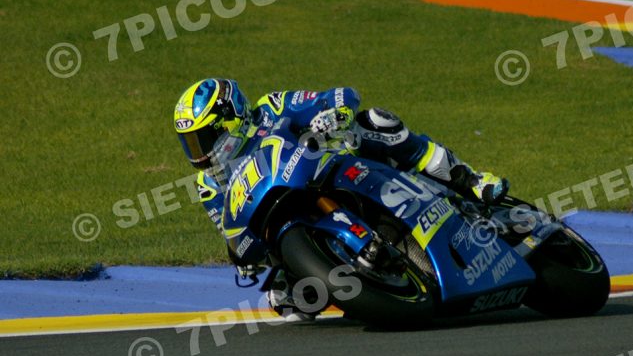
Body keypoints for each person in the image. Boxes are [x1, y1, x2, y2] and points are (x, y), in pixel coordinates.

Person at [174, 78, 509, 319]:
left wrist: (333, 114)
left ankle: (471, 180)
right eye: (190, 143)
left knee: (378, 122)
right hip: (285, 223)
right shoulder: (209, 185)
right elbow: (230, 231)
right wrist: (245, 259)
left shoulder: (270, 108)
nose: (200, 153)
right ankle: (361, 281)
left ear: (230, 119)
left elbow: (339, 96)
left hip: (332, 167)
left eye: (204, 138)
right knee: (286, 302)